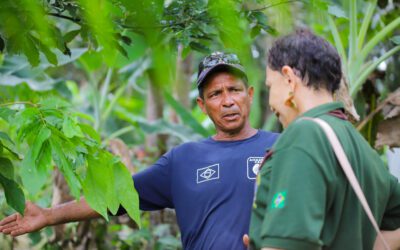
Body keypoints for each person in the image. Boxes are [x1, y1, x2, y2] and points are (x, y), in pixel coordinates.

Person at [0, 52, 279, 249]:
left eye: (234, 90)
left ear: (250, 94)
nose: (228, 101)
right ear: (202, 105)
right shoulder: (183, 160)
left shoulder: (282, 147)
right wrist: (49, 215)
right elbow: (115, 198)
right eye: (215, 94)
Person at [248, 29, 400, 250]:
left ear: (289, 79)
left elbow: (288, 244)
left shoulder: (305, 134)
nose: (271, 102)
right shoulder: (361, 146)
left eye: (271, 86)